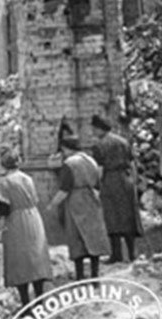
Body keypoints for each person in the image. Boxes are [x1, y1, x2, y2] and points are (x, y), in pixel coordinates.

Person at [51, 132, 111, 280]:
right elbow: (98, 181)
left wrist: (53, 204)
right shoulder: (90, 160)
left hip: (75, 201)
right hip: (91, 198)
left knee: (76, 238)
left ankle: (80, 276)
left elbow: (65, 188)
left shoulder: (69, 164)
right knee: (93, 237)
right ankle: (95, 277)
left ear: (66, 148)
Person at [0, 150, 51, 307]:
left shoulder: (5, 182)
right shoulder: (28, 178)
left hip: (16, 220)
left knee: (19, 261)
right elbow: (35, 199)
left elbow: (4, 206)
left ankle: (26, 304)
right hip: (33, 217)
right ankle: (40, 301)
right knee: (36, 259)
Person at [90, 114, 143, 263]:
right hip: (126, 179)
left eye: (94, 128)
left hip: (110, 180)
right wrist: (134, 180)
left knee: (112, 217)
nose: (93, 132)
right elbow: (133, 163)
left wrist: (96, 186)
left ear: (100, 128)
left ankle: (116, 254)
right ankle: (132, 253)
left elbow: (99, 169)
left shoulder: (99, 145)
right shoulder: (123, 141)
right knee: (128, 216)